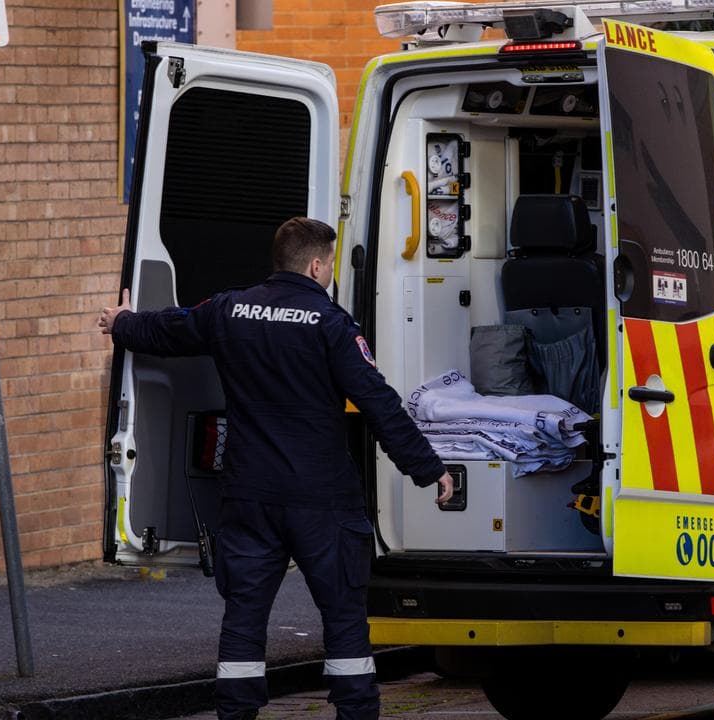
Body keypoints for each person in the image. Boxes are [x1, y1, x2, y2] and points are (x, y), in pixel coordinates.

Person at [98, 217, 452, 720]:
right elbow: (378, 402)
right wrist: (427, 468)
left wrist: (122, 323)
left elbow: (170, 328)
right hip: (322, 500)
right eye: (329, 264)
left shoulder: (229, 309)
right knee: (344, 619)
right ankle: (355, 713)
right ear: (315, 265)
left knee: (244, 615)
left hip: (250, 495)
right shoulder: (332, 325)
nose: (330, 272)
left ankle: (236, 714)